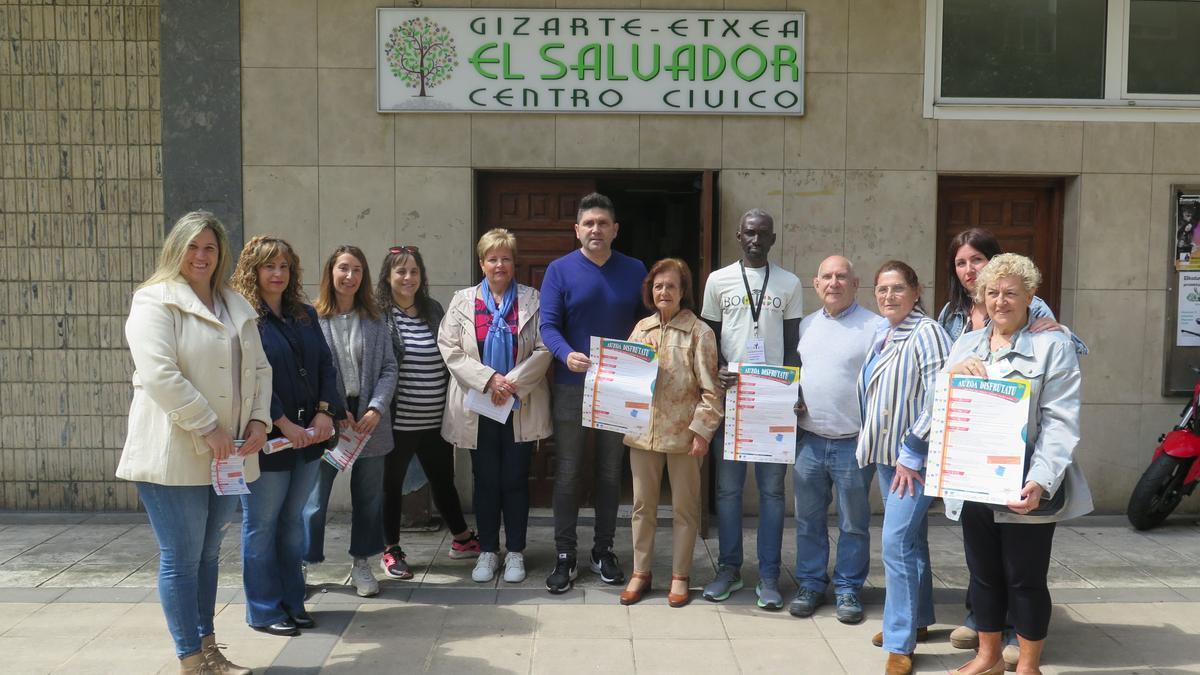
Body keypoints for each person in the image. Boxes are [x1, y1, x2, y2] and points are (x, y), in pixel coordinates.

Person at [117, 211, 269, 674]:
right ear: (175, 250)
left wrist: (260, 420)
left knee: (207, 557)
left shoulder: (235, 304)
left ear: (221, 254)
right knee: (181, 560)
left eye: (210, 248)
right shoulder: (153, 301)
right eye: (192, 247)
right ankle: (190, 660)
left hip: (231, 453)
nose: (201, 256)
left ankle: (208, 649)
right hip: (176, 453)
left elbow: (260, 369)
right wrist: (208, 426)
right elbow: (161, 375)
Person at [938, 227, 1087, 669]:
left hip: (1025, 480)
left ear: (1029, 296)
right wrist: (951, 377)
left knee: (1024, 578)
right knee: (983, 574)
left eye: (1010, 293)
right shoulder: (965, 342)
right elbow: (944, 410)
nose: (1000, 301)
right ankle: (988, 656)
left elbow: (1061, 421)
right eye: (992, 293)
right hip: (974, 479)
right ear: (980, 297)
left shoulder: (1052, 345)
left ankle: (1027, 663)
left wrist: (1041, 480)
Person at [232, 236, 340, 637]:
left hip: (310, 439)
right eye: (268, 266)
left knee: (292, 523)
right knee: (262, 525)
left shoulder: (305, 314)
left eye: (284, 266)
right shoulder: (245, 318)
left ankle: (293, 602)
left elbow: (327, 365)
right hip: (270, 441)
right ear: (253, 270)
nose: (278, 274)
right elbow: (251, 379)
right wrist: (283, 423)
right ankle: (263, 609)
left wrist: (325, 413)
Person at [540, 192, 647, 593]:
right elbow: (548, 325)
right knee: (567, 472)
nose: (596, 230)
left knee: (608, 472)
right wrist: (565, 355)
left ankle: (603, 550)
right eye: (589, 224)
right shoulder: (559, 270)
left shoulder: (635, 269)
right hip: (572, 385)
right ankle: (565, 554)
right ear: (577, 230)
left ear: (615, 229)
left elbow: (647, 323)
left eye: (603, 223)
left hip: (618, 387)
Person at [700, 208, 804, 609]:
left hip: (773, 403)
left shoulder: (789, 283)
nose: (756, 240)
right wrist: (719, 370)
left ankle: (769, 576)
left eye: (763, 234)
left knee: (772, 493)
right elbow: (708, 340)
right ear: (738, 237)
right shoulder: (718, 281)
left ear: (773, 239)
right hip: (732, 402)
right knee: (727, 491)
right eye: (749, 234)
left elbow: (794, 346)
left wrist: (795, 388)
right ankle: (728, 570)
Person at [439, 229, 552, 584]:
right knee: (485, 480)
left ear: (513, 262)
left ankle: (516, 550)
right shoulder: (462, 301)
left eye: (505, 258)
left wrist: (510, 383)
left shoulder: (533, 299)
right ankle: (488, 550)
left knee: (516, 478)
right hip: (478, 405)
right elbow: (450, 347)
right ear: (481, 263)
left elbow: (545, 347)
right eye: (492, 258)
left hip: (519, 404)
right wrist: (489, 380)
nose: (499, 265)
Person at [857, 260, 950, 675]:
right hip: (886, 455)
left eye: (897, 288)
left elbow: (940, 395)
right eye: (881, 290)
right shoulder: (886, 332)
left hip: (913, 460)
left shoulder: (926, 331)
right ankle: (917, 618)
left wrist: (912, 450)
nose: (888, 296)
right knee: (913, 541)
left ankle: (900, 642)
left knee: (895, 543)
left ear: (916, 290)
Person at [619, 259, 722, 608]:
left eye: (671, 286)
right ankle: (641, 572)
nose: (664, 291)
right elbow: (624, 378)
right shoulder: (641, 328)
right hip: (642, 432)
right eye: (658, 285)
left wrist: (702, 432)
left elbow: (711, 391)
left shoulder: (699, 332)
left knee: (684, 509)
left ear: (683, 292)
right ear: (650, 290)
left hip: (683, 435)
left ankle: (680, 575)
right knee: (642, 506)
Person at [789, 255, 884, 624]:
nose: (834, 283)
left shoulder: (875, 327)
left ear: (855, 284)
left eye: (841, 276)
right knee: (808, 520)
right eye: (826, 276)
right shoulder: (805, 326)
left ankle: (847, 588)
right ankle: (811, 584)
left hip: (853, 443)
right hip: (809, 440)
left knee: (853, 523)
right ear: (816, 284)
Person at [377, 245, 480, 581]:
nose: (408, 278)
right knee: (390, 486)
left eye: (414, 272)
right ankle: (390, 549)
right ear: (388, 276)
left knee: (443, 480)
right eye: (401, 271)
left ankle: (462, 539)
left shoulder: (433, 309)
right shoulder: (379, 313)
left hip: (435, 419)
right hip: (397, 422)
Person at [302, 245, 398, 597]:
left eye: (357, 270)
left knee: (369, 498)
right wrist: (332, 409)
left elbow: (389, 367)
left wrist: (376, 407)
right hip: (329, 419)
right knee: (313, 499)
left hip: (369, 420)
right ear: (331, 272)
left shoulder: (375, 319)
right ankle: (303, 564)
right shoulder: (311, 318)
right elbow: (309, 372)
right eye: (343, 268)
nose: (349, 276)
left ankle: (362, 564)